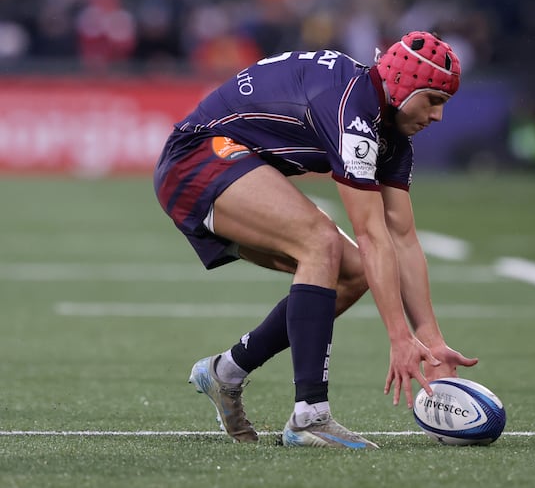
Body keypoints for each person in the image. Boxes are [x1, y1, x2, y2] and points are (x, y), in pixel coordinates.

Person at [153, 31, 479, 449]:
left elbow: (403, 238)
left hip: (233, 160)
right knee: (320, 240)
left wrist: (431, 341)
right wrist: (399, 336)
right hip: (197, 155)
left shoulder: (390, 136)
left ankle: (226, 372)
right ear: (403, 85)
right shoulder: (350, 106)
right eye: (433, 100)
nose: (437, 117)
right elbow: (372, 232)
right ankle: (310, 415)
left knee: (356, 271)